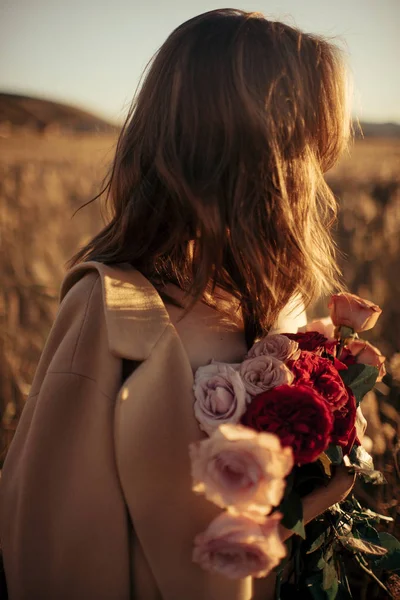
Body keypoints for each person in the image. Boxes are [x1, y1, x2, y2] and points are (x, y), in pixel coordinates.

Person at [0, 9, 362, 600]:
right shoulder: (110, 311)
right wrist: (304, 508)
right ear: (255, 155)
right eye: (307, 150)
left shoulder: (283, 305)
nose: (319, 179)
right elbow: (52, 541)